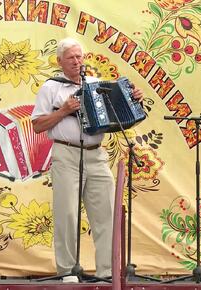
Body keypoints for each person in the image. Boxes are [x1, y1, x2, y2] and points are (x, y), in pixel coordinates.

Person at [31, 38, 144, 283]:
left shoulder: (95, 85)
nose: (76, 61)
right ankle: (68, 271)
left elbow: (116, 115)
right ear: (60, 61)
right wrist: (63, 110)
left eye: (79, 56)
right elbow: (38, 125)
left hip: (96, 154)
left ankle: (107, 271)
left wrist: (134, 99)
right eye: (71, 57)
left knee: (106, 214)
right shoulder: (51, 88)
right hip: (66, 154)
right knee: (67, 214)